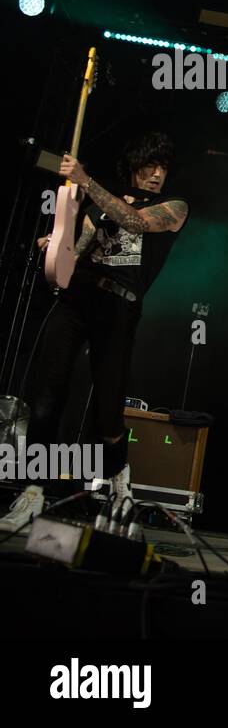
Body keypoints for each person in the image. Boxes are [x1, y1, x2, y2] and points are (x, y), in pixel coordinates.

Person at [1, 132, 189, 532]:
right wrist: (55, 246)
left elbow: (133, 221)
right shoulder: (99, 205)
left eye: (163, 169)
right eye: (149, 166)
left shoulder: (172, 207)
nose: (156, 175)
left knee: (108, 407)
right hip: (76, 301)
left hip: (118, 307)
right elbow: (79, 246)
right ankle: (34, 489)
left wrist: (85, 180)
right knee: (47, 396)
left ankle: (119, 483)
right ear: (134, 166)